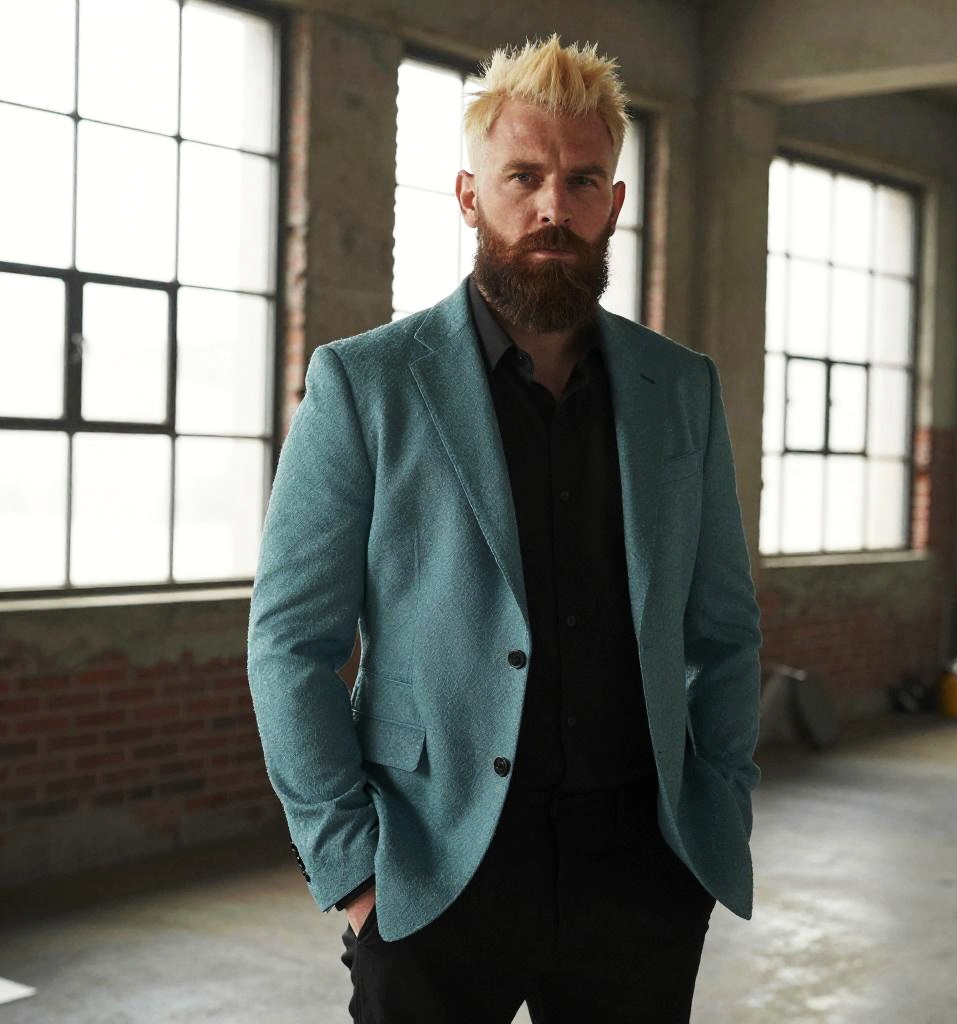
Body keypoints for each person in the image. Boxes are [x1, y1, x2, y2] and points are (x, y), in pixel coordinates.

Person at [247, 34, 762, 1024]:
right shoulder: (365, 383)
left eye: (581, 180)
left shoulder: (680, 389)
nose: (551, 206)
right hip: (432, 868)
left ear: (615, 203)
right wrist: (354, 872)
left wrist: (716, 807)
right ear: (469, 194)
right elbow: (291, 643)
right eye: (522, 176)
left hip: (638, 870)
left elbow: (724, 626)